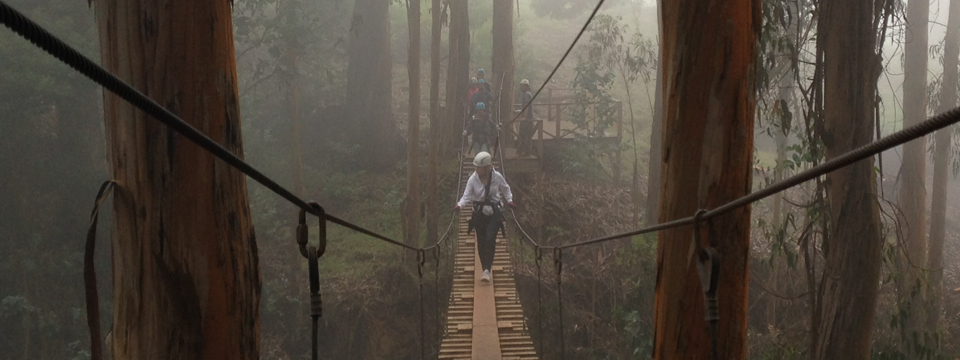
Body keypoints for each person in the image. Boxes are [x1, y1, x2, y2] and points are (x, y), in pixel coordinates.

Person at [454, 151, 515, 283]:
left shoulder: (496, 177)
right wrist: (460, 205)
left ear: (487, 167)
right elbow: (467, 195)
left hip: (494, 212)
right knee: (481, 242)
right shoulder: (473, 179)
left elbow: (506, 188)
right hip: (479, 214)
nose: (476, 169)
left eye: (479, 167)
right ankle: (485, 269)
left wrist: (509, 200)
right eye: (476, 167)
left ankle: (487, 269)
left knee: (490, 239)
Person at [517, 79, 536, 156]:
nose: (520, 87)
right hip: (529, 119)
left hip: (527, 119)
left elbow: (526, 105)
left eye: (522, 86)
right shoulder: (528, 94)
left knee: (523, 135)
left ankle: (520, 152)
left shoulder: (527, 95)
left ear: (526, 86)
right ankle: (527, 152)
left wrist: (524, 116)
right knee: (527, 136)